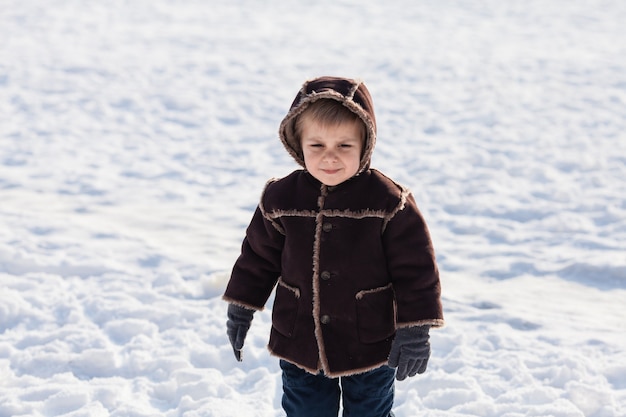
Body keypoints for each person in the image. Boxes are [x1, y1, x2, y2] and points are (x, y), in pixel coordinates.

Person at [223, 76, 444, 417]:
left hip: (369, 341)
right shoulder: (280, 198)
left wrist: (415, 329)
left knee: (370, 412)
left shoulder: (388, 202)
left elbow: (416, 271)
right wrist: (242, 306)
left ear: (365, 143)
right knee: (305, 410)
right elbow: (258, 258)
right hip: (300, 337)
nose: (330, 158)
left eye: (344, 146)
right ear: (298, 144)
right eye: (317, 146)